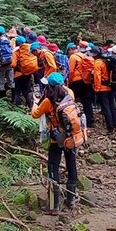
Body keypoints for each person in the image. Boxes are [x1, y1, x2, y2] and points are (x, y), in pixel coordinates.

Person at [31, 72, 82, 214]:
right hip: (71, 137)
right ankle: (70, 199)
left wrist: (35, 103)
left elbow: (35, 114)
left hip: (56, 138)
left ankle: (54, 206)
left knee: (53, 167)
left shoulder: (48, 101)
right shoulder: (69, 93)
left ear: (49, 86)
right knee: (71, 165)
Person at [92, 46, 116, 134]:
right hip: (111, 86)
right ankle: (114, 125)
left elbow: (97, 77)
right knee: (112, 106)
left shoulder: (97, 63)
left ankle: (110, 128)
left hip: (103, 88)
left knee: (106, 108)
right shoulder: (107, 61)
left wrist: (97, 89)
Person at [68, 43, 95, 126]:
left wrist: (69, 81)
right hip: (87, 80)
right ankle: (90, 121)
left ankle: (74, 120)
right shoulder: (86, 56)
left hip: (76, 81)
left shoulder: (73, 57)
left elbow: (71, 71)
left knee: (72, 100)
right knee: (87, 101)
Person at [11, 36, 37, 108]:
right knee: (26, 91)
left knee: (17, 92)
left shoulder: (16, 51)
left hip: (18, 74)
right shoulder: (30, 49)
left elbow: (13, 64)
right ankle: (30, 106)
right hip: (28, 74)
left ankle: (18, 108)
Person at [0, 26, 14, 98]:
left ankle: (2, 99)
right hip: (10, 63)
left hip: (1, 64)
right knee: (11, 80)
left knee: (0, 81)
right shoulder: (8, 41)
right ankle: (14, 98)